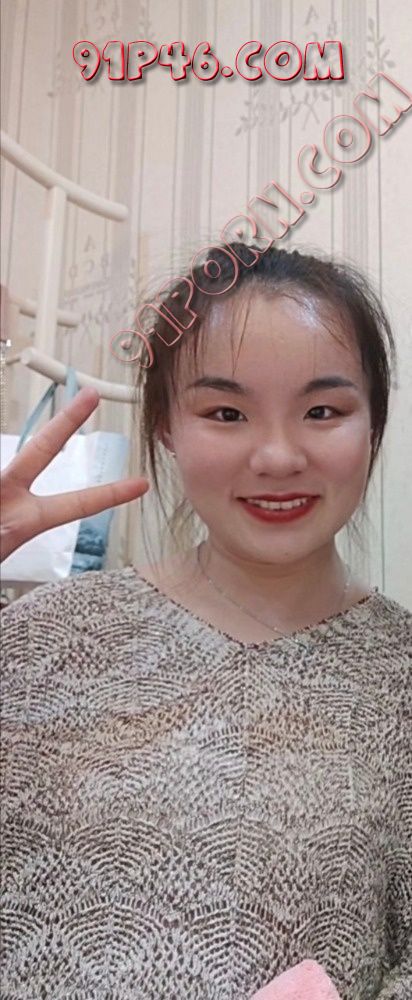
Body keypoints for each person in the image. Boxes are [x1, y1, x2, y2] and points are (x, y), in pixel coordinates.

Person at [1, 243, 411, 1000]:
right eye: (226, 413)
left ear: (374, 425)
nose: (278, 456)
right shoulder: (37, 638)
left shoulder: (400, 676)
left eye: (323, 411)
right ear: (166, 426)